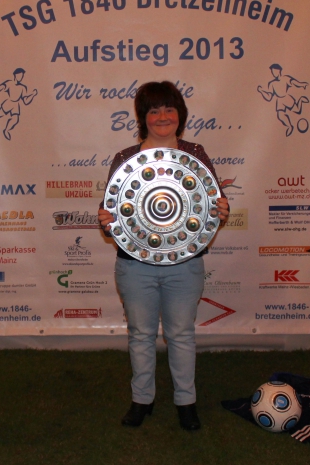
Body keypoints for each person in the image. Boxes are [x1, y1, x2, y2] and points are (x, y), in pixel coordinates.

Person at [98, 81, 230, 430]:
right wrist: (106, 222)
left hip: (185, 265)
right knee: (141, 334)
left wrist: (222, 210)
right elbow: (111, 213)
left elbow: (212, 206)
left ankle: (186, 402)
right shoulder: (125, 159)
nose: (162, 117)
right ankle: (142, 400)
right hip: (134, 266)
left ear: (180, 115)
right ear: (143, 117)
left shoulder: (196, 153)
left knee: (181, 334)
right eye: (154, 110)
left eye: (169, 109)